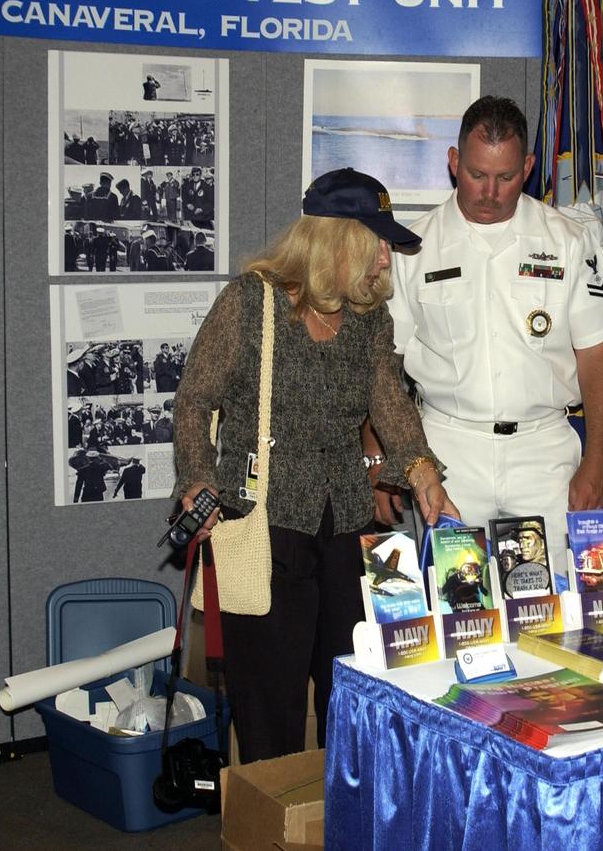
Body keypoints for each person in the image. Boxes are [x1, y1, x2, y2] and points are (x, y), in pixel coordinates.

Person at [173, 167, 458, 764]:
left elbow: (389, 401)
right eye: (378, 242)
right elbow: (195, 398)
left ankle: (340, 817)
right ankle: (270, 818)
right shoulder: (252, 301)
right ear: (340, 240)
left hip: (348, 530)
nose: (386, 259)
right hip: (266, 526)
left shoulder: (366, 318)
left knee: (352, 695)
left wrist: (423, 472)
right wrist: (197, 475)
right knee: (270, 709)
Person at [381, 96, 603, 579]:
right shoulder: (413, 248)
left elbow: (597, 353)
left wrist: (598, 461)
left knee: (556, 603)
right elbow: (382, 368)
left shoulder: (568, 240)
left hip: (542, 452)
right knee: (458, 607)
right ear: (454, 163)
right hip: (447, 453)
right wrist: (381, 456)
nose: (490, 192)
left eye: (506, 177)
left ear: (529, 167)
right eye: (477, 174)